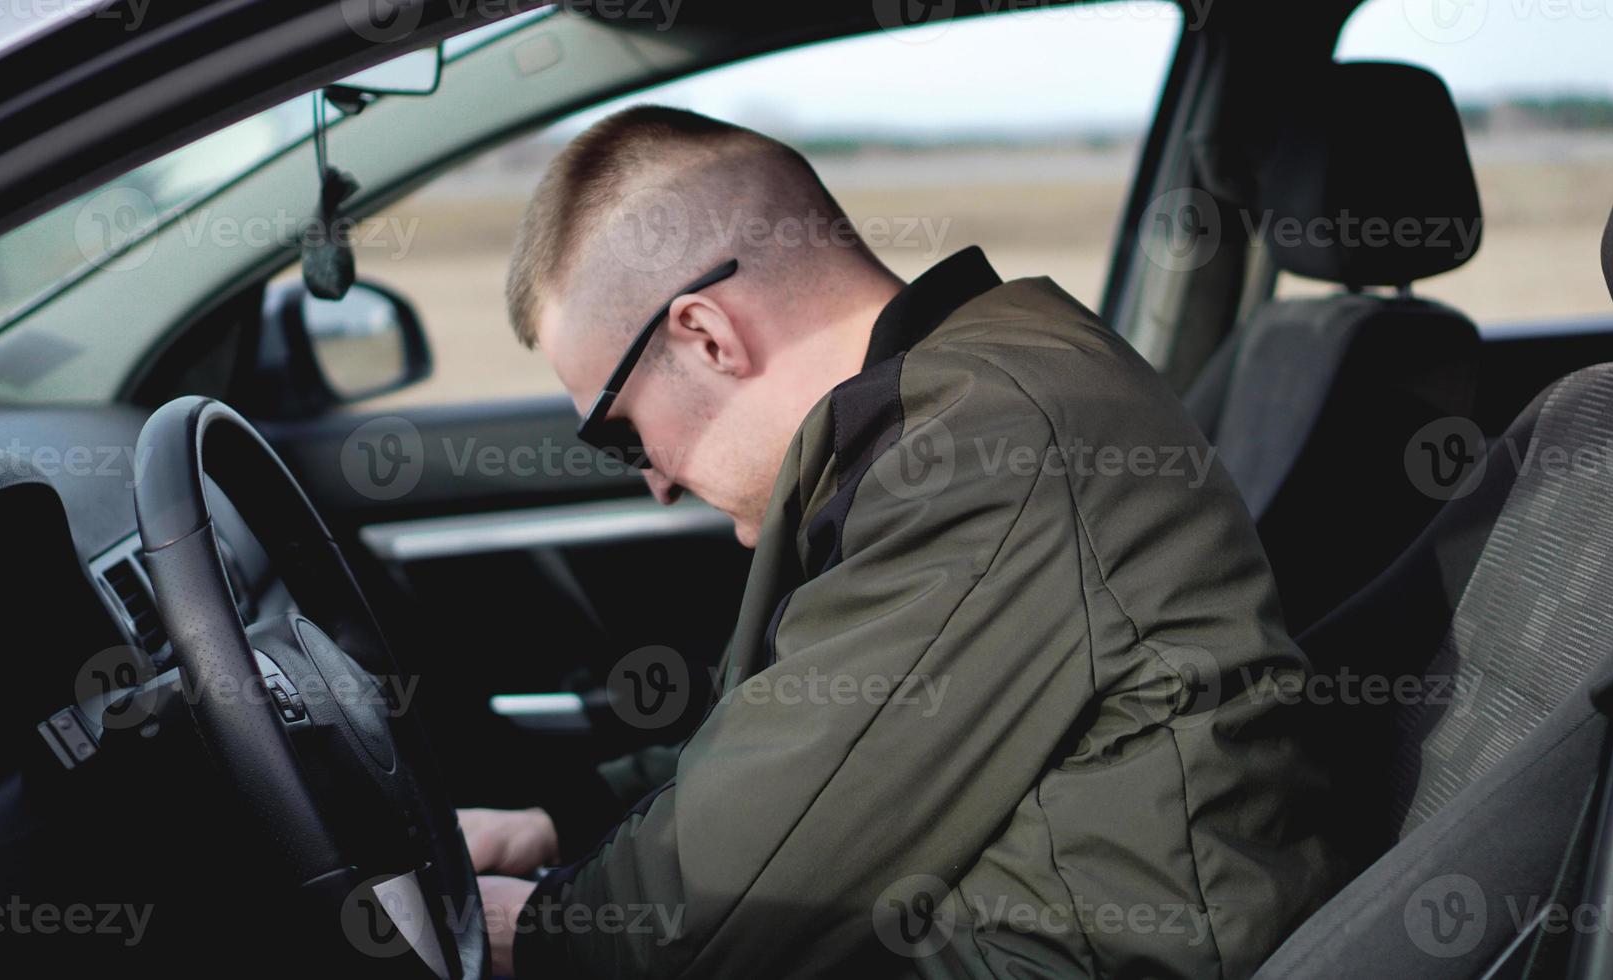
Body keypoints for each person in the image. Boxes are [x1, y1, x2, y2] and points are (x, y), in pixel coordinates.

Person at [470, 105, 1337, 978]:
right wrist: (564, 822)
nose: (652, 480)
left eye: (620, 434)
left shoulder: (984, 440)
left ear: (707, 335)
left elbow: (748, 880)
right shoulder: (944, 414)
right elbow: (806, 730)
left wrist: (536, 933)